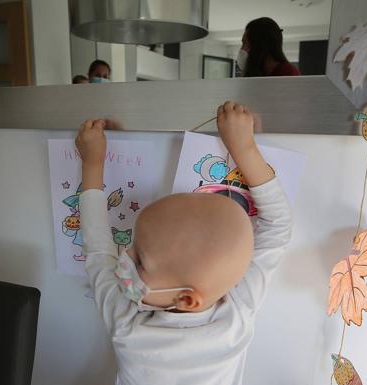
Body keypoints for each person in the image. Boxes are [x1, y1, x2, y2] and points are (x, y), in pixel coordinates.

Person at [76, 101, 293, 385]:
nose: (124, 257)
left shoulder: (127, 325)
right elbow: (278, 224)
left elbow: (98, 249)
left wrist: (92, 162)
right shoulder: (237, 314)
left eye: (139, 260)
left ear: (187, 299)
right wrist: (244, 149)